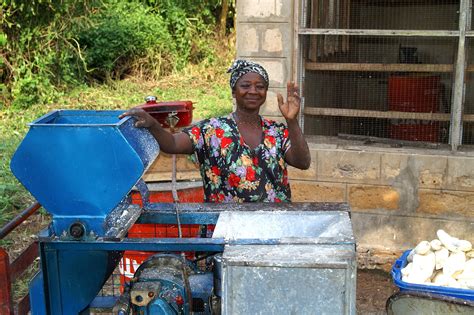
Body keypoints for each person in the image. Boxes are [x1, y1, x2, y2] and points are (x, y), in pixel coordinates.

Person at [120, 59, 310, 202]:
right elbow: (172, 144)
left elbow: (303, 162)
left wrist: (292, 121)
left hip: (272, 229)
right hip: (225, 230)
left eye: (260, 87)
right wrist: (153, 124)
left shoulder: (276, 131)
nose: (253, 91)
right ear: (233, 91)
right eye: (245, 85)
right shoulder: (212, 130)